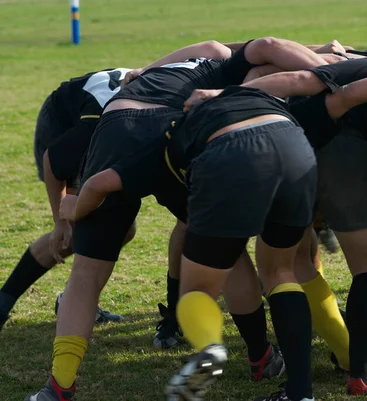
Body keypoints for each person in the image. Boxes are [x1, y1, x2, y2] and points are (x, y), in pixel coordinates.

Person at [23, 37, 328, 401]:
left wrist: (71, 212)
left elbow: (226, 45)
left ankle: (59, 384)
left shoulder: (170, 67)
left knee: (87, 273)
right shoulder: (222, 67)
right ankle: (260, 355)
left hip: (118, 126)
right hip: (174, 133)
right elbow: (258, 47)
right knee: (224, 252)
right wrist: (326, 66)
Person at [187, 45, 367, 395]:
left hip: (284, 158)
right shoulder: (341, 79)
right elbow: (309, 77)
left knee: (293, 266)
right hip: (312, 151)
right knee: (324, 263)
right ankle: (356, 367)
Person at [0, 68, 136, 332]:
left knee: (120, 228)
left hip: (106, 119)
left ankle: (73, 301)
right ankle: (6, 302)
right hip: (62, 121)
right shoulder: (98, 124)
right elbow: (54, 161)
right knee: (76, 230)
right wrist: (60, 221)